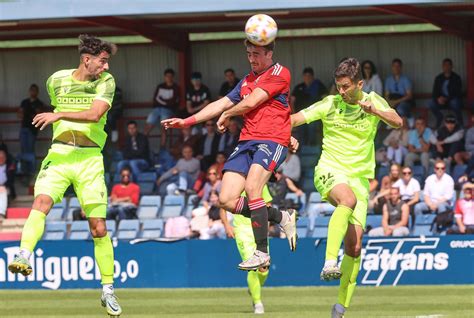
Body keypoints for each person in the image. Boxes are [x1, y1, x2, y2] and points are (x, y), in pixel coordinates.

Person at [7, 35, 121, 316]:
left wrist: (59, 116)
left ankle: (108, 289)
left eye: (107, 62)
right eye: (102, 61)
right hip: (59, 154)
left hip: (90, 159)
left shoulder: (106, 82)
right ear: (87, 59)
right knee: (41, 202)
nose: (106, 67)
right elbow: (61, 106)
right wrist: (60, 118)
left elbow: (95, 115)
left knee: (98, 228)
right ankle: (24, 254)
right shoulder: (55, 80)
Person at [162, 39, 298, 271]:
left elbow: (253, 101)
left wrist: (227, 114)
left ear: (268, 53)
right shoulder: (246, 81)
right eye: (248, 54)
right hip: (246, 141)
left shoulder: (280, 72)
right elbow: (221, 102)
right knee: (225, 199)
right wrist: (186, 120)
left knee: (253, 188)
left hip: (272, 139)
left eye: (256, 54)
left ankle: (262, 252)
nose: (252, 59)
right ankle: (281, 216)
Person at [290, 57, 402, 318]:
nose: (341, 91)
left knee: (354, 247)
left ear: (359, 83)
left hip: (359, 179)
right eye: (338, 86)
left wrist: (375, 112)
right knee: (347, 200)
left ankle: (340, 307)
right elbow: (294, 119)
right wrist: (287, 134)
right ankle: (330, 261)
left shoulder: (373, 101)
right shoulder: (331, 104)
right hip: (329, 170)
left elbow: (397, 122)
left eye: (346, 86)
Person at [220, 186, 273, 315]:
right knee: (253, 266)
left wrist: (267, 226)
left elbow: (268, 205)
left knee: (264, 268)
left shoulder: (259, 182)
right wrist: (227, 225)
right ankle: (257, 302)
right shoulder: (235, 183)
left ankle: (254, 288)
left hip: (258, 229)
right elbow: (222, 205)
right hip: (242, 230)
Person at [291, 67, 328, 145]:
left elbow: (326, 99)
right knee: (301, 137)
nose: (307, 78)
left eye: (309, 76)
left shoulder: (318, 85)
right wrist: (293, 113)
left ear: (312, 76)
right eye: (305, 76)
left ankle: (312, 153)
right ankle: (302, 154)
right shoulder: (299, 87)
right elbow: (292, 101)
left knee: (312, 135)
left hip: (314, 117)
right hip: (300, 116)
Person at [145, 68, 180, 146]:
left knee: (164, 128)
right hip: (157, 109)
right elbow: (155, 98)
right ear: (164, 77)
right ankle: (142, 145)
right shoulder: (160, 86)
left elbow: (172, 102)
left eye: (170, 76)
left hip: (168, 110)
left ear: (173, 77)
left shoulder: (175, 87)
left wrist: (162, 101)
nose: (169, 78)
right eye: (167, 76)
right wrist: (166, 102)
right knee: (148, 126)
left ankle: (162, 148)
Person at [17, 84, 47, 176]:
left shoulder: (39, 103)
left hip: (32, 130)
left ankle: (31, 172)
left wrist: (29, 114)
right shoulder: (24, 102)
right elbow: (19, 115)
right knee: (23, 150)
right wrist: (28, 114)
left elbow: (38, 116)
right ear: (29, 91)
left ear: (37, 92)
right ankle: (24, 171)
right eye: (31, 90)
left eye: (35, 90)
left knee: (30, 150)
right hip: (23, 128)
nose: (33, 92)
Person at [429, 58, 463, 128]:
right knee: (431, 103)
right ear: (442, 67)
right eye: (445, 65)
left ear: (451, 66)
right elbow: (434, 92)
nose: (446, 67)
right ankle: (439, 117)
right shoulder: (438, 78)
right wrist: (438, 99)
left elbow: (458, 93)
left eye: (448, 65)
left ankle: (460, 122)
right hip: (441, 101)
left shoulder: (456, 78)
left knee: (455, 103)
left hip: (452, 100)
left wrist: (446, 99)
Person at [0, 149, 16, 219]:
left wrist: (3, 186)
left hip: (6, 188)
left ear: (6, 158)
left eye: (2, 157)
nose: (1, 159)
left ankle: (1, 214)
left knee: (3, 191)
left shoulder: (10, 167)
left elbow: (11, 180)